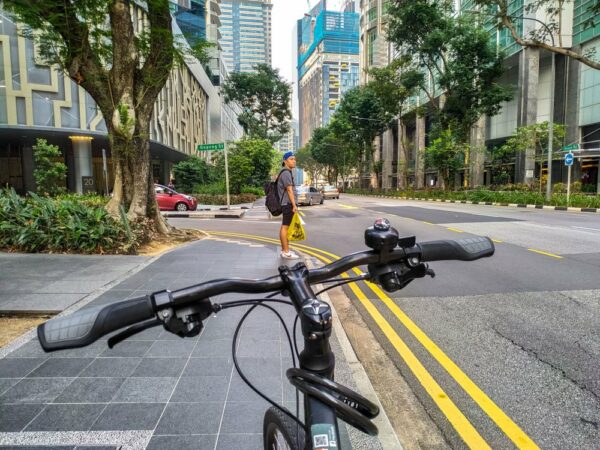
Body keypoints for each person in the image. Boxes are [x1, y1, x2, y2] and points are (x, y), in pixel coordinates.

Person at [278, 151, 299, 259]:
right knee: (285, 227)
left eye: (294, 159)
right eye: (291, 159)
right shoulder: (286, 173)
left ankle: (284, 250)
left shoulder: (286, 172)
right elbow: (289, 190)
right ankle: (286, 252)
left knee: (284, 227)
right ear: (285, 161)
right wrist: (294, 205)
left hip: (286, 204)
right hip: (288, 204)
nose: (294, 161)